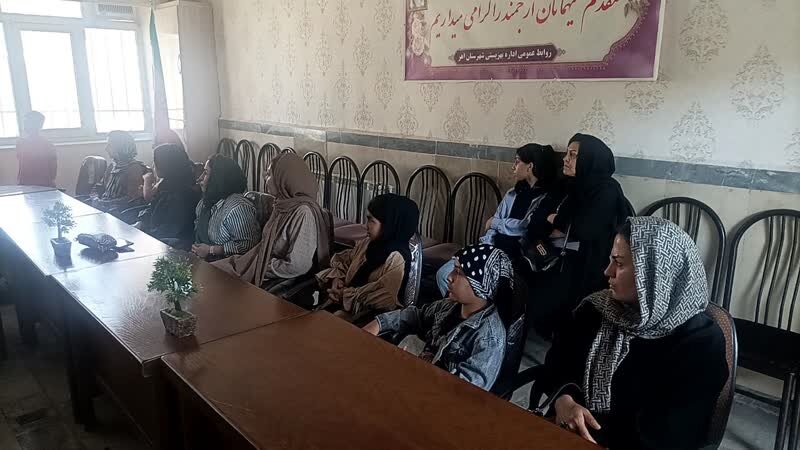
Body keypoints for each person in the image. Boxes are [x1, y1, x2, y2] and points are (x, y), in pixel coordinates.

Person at [538, 217, 727, 449]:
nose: (607, 271)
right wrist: (563, 400)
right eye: (611, 260)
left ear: (656, 274)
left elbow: (674, 434)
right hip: (569, 434)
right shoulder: (596, 309)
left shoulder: (701, 343)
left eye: (619, 263)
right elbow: (557, 364)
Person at [364, 244, 512, 391]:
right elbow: (415, 315)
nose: (449, 277)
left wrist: (415, 372)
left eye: (459, 272)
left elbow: (465, 392)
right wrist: (379, 323)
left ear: (481, 285)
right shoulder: (449, 306)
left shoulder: (489, 338)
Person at [528, 133, 630, 338]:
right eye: (567, 153)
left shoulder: (606, 190)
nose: (565, 159)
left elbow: (584, 229)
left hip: (588, 260)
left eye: (573, 155)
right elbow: (536, 219)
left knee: (561, 294)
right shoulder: (565, 184)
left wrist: (556, 220)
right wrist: (559, 222)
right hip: (552, 252)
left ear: (589, 159)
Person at [435, 143, 560, 296]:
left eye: (517, 161)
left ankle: (477, 307)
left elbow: (525, 226)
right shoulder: (512, 193)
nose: (513, 166)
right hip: (492, 247)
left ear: (530, 166)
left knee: (472, 283)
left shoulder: (545, 198)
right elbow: (493, 229)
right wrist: (485, 246)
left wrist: (495, 222)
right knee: (444, 274)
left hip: (516, 256)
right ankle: (457, 307)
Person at [213, 152, 331, 287]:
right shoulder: (282, 204)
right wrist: (252, 262)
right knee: (213, 271)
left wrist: (262, 267)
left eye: (269, 174)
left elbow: (297, 266)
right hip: (258, 261)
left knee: (218, 281)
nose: (265, 178)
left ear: (283, 179)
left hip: (272, 274)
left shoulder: (303, 213)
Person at [316, 194, 419, 323]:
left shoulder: (396, 258)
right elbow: (345, 261)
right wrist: (338, 279)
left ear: (389, 225)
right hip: (344, 306)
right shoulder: (368, 244)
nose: (366, 225)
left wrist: (345, 295)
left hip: (368, 319)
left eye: (371, 220)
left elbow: (383, 298)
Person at [192, 154, 260, 260]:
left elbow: (248, 246)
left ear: (217, 178)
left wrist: (211, 250)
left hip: (228, 265)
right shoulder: (205, 202)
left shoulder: (238, 207)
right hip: (203, 261)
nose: (199, 178)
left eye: (205, 173)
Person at [135, 144, 200, 249]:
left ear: (165, 165)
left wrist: (144, 232)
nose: (153, 165)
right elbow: (152, 209)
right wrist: (141, 222)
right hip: (157, 237)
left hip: (171, 246)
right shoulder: (167, 184)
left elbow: (169, 231)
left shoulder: (181, 194)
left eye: (155, 161)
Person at [93, 131, 148, 213]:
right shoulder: (112, 166)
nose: (106, 149)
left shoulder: (135, 169)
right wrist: (95, 198)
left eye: (110, 145)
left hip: (118, 212)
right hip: (104, 207)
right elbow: (98, 187)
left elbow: (132, 199)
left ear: (120, 147)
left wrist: (105, 203)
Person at [144, 129, 187, 202]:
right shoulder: (161, 165)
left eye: (161, 143)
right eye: (157, 143)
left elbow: (148, 196)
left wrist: (147, 180)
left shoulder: (170, 176)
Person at [16, 111, 57, 188]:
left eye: (27, 122)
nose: (24, 125)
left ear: (38, 125)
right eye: (24, 122)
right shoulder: (20, 143)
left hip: (44, 185)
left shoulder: (48, 145)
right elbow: (21, 168)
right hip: (25, 184)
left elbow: (53, 172)